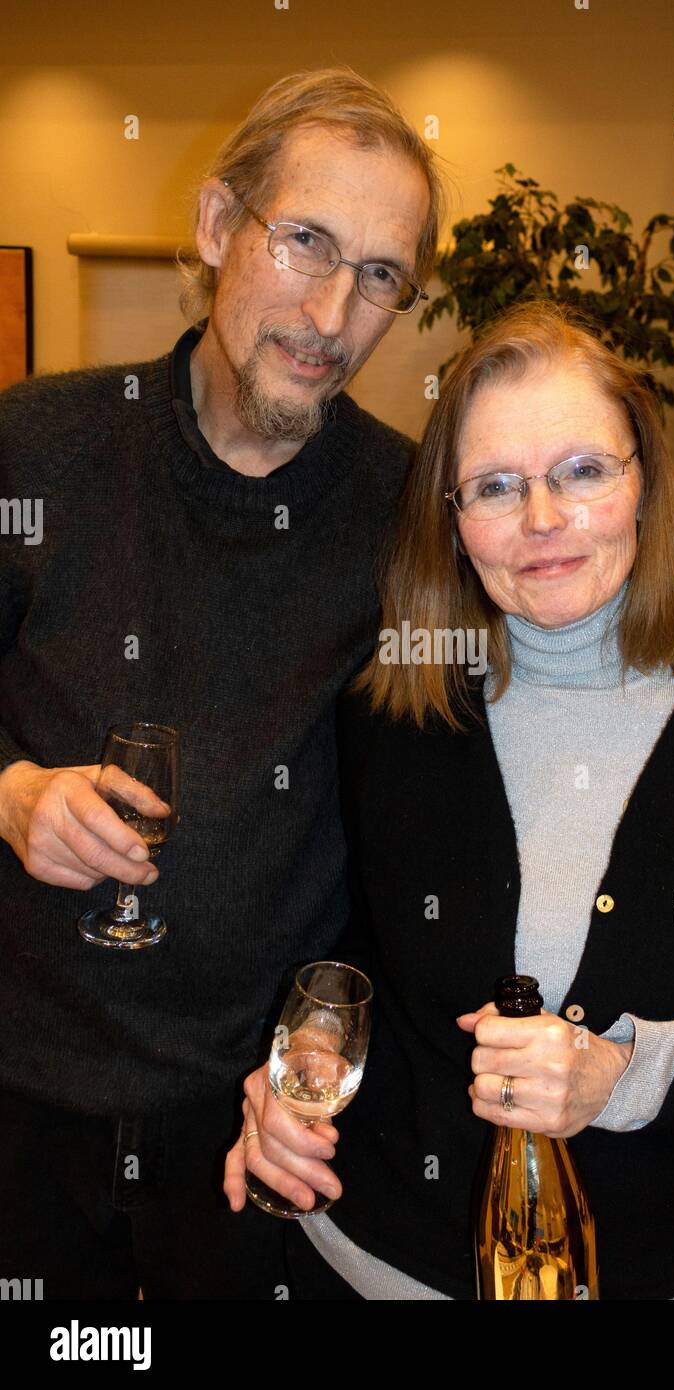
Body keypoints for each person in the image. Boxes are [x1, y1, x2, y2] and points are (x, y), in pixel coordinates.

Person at [228, 300, 674, 1300]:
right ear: (449, 518)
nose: (539, 520)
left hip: (640, 1265)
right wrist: (303, 1049)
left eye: (580, 470)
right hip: (370, 1250)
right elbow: (343, 941)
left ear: (641, 479)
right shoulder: (396, 703)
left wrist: (623, 1076)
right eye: (493, 486)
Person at [0, 67, 443, 1299]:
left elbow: (425, 823)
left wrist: (322, 1035)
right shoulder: (36, 446)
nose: (331, 309)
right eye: (304, 240)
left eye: (379, 275)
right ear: (213, 227)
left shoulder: (409, 516)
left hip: (253, 1111)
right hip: (26, 1088)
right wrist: (12, 790)